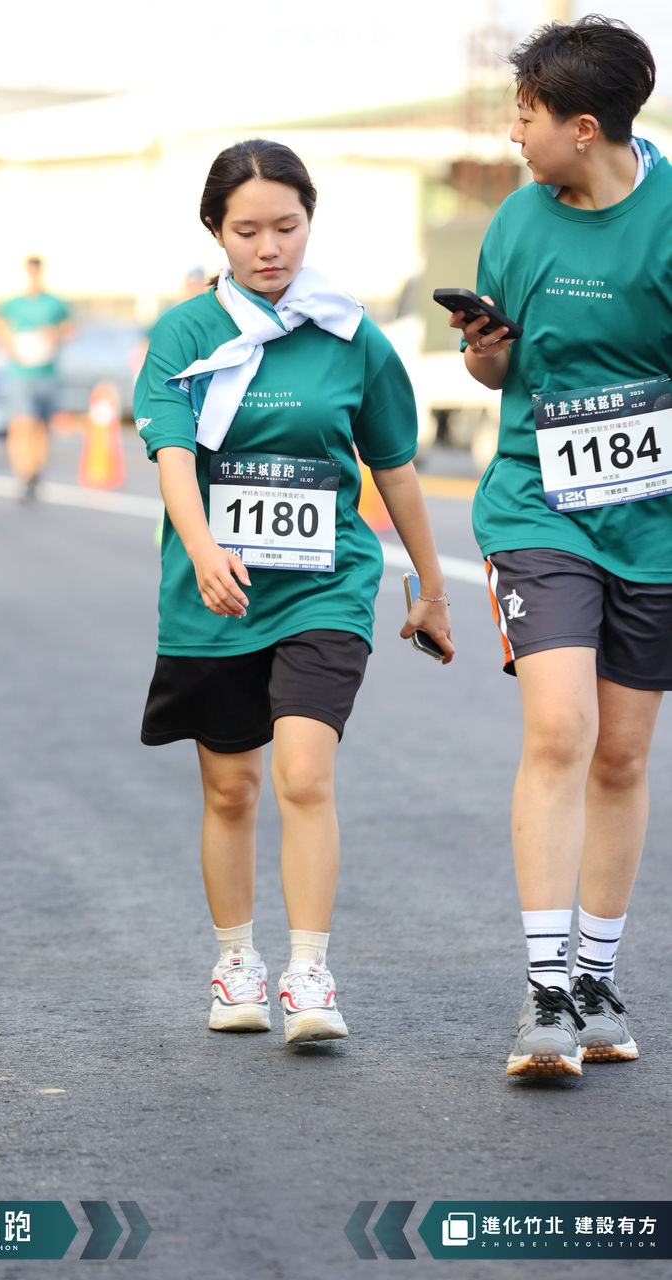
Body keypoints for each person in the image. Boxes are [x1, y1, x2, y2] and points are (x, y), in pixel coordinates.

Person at [136, 139, 453, 1044]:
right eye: (247, 231)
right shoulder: (185, 334)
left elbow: (393, 466)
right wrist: (203, 549)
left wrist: (430, 585)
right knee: (231, 789)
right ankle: (236, 961)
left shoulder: (351, 335)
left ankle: (308, 973)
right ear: (215, 232)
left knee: (304, 774)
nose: (269, 247)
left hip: (324, 585)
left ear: (310, 221)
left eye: (286, 225)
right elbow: (172, 453)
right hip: (217, 590)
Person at [446, 15, 667, 1078]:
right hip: (539, 508)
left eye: (526, 117)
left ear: (584, 127)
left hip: (654, 523)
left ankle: (594, 981)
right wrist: (486, 354)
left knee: (621, 754)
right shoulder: (517, 221)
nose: (512, 135)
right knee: (560, 728)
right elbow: (496, 375)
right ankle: (543, 996)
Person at [0, 256, 72, 501]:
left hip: (47, 372)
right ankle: (23, 473)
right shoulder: (14, 304)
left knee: (41, 425)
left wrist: (55, 334)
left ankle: (36, 470)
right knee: (22, 422)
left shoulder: (54, 303)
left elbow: (70, 328)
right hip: (20, 372)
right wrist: (8, 344)